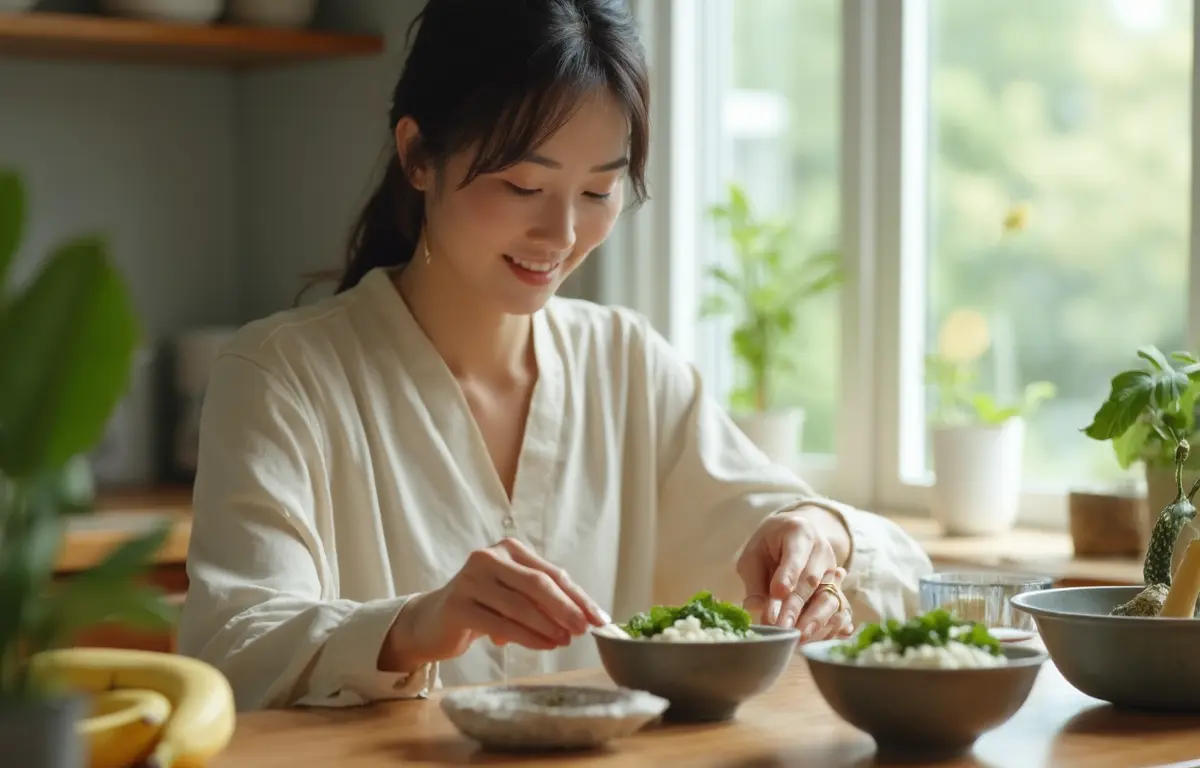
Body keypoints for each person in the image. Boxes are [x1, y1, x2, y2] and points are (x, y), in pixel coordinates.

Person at [177, 0, 933, 712]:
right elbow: (232, 652)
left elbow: (892, 575)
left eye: (599, 193)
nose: (561, 234)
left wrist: (818, 535)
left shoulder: (627, 366)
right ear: (417, 154)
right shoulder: (281, 377)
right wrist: (416, 623)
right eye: (523, 184)